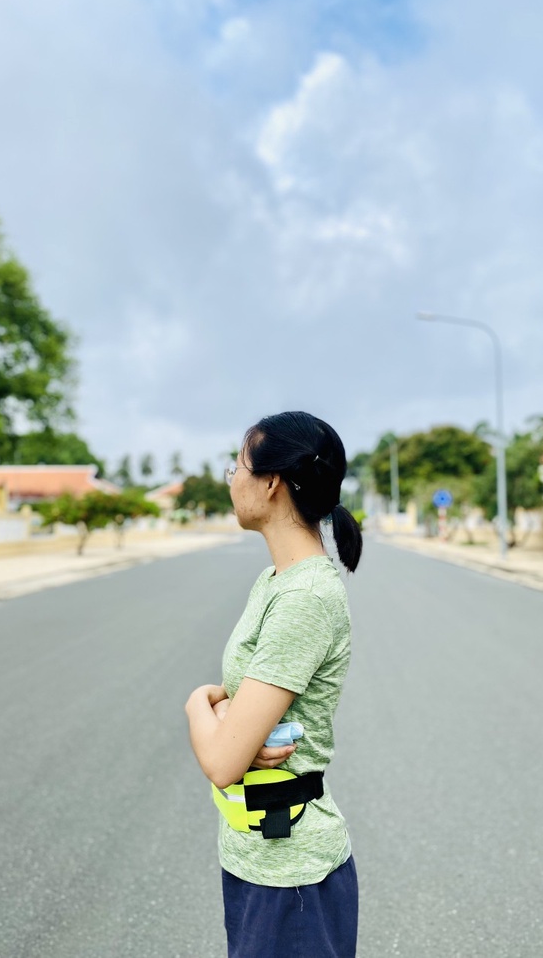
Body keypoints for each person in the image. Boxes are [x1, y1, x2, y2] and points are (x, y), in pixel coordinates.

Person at [185, 410, 363, 958]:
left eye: (237, 467)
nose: (231, 480)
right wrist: (230, 719)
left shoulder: (304, 599)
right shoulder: (276, 581)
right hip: (256, 857)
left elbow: (223, 761)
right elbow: (238, 709)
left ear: (270, 482)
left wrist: (196, 703)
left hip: (293, 876)